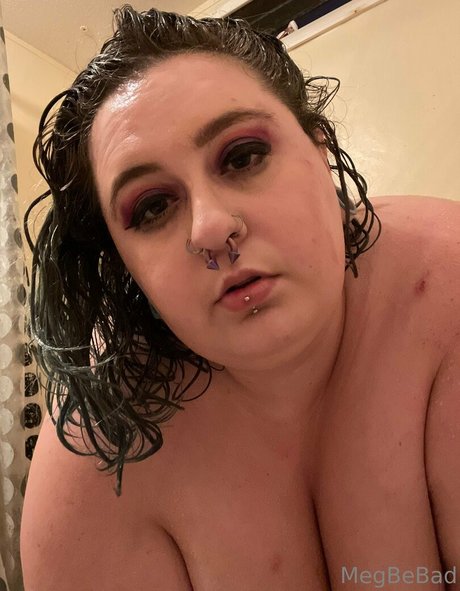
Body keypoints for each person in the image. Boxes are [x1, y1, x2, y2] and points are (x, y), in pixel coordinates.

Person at [20, 5, 460, 591]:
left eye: (243, 156)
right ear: (129, 270)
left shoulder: (446, 285)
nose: (210, 227)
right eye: (152, 207)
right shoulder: (98, 458)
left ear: (320, 149)